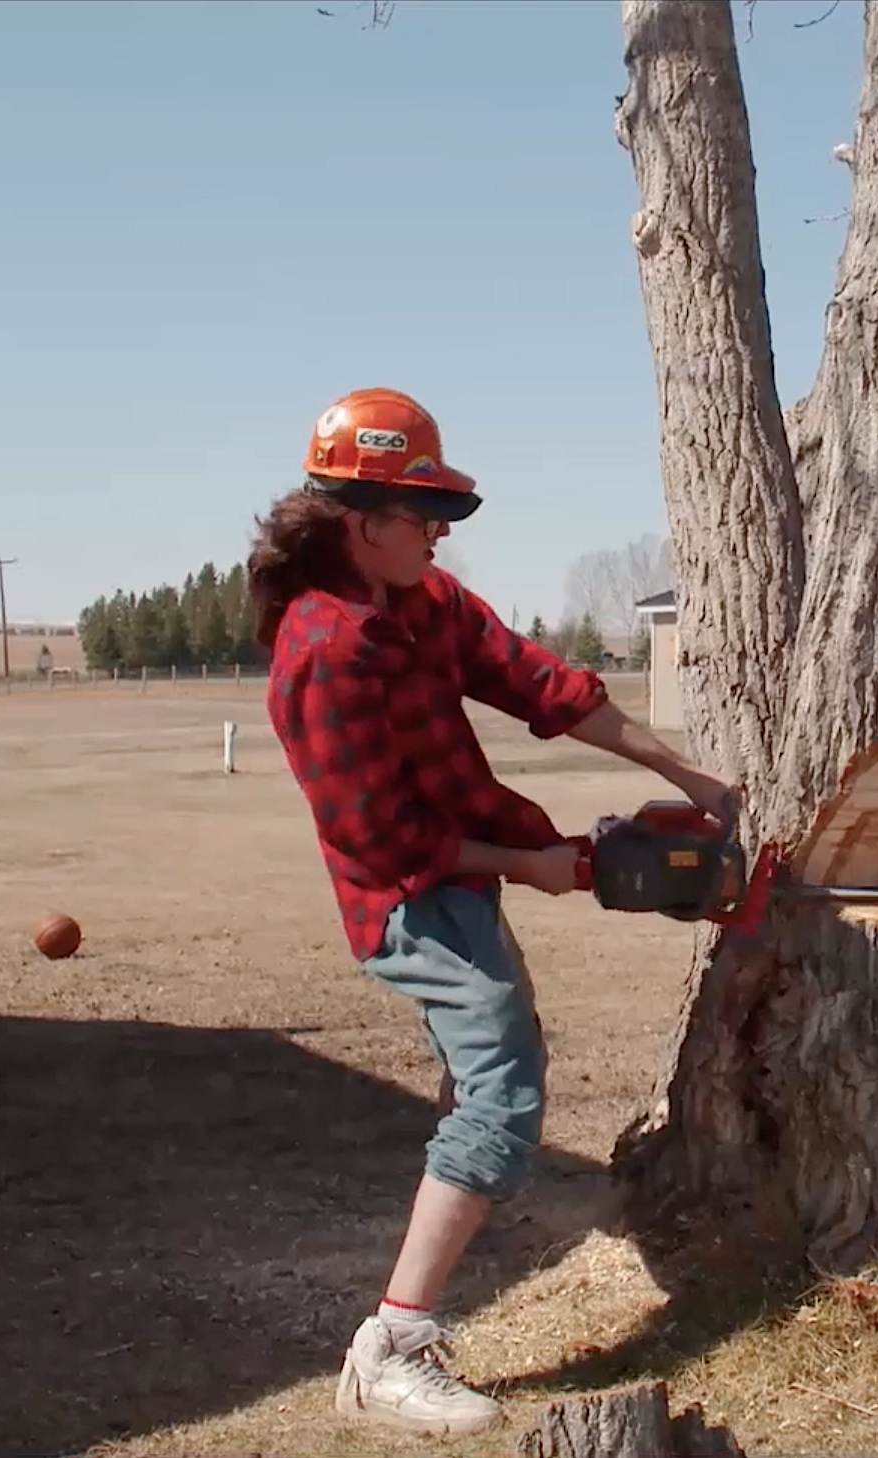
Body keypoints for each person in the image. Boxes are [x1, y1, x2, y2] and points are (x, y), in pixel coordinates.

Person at [245, 386, 735, 1437]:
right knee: (503, 1093)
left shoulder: (420, 601)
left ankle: (451, 1216)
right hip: (405, 899)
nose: (437, 534)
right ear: (358, 524)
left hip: (461, 874)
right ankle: (392, 1347)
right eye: (420, 515)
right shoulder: (325, 651)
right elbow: (383, 845)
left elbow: (539, 682)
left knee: (488, 1076)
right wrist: (532, 863)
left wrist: (684, 774)